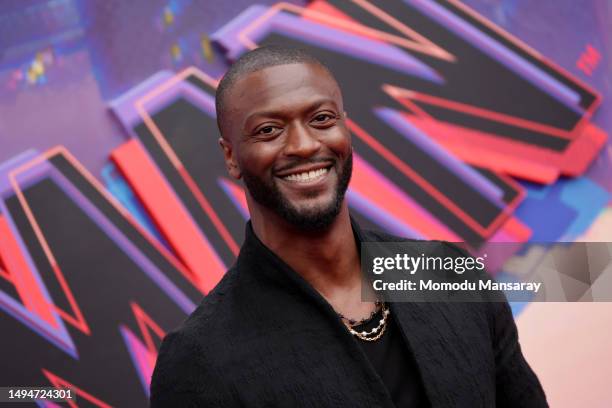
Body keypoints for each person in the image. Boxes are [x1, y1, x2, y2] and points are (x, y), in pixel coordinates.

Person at [149, 46, 548, 407]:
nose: (304, 145)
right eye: (269, 130)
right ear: (231, 156)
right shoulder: (199, 360)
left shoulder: (448, 273)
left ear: (346, 129)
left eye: (321, 119)